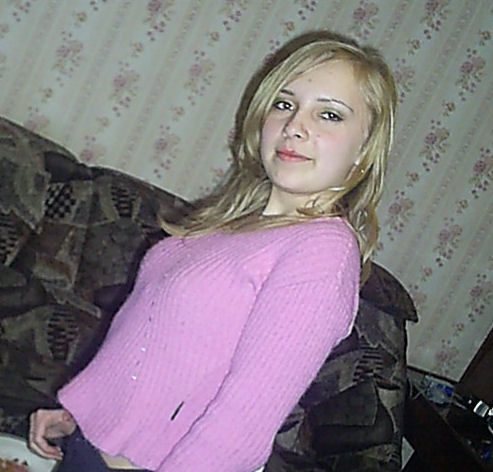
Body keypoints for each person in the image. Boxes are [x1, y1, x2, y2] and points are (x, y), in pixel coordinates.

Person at [28, 30, 397, 472]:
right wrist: (82, 412)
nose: (295, 126)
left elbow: (243, 422)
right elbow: (150, 341)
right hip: (91, 448)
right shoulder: (232, 224)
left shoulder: (323, 251)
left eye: (330, 115)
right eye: (284, 104)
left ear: (364, 149)